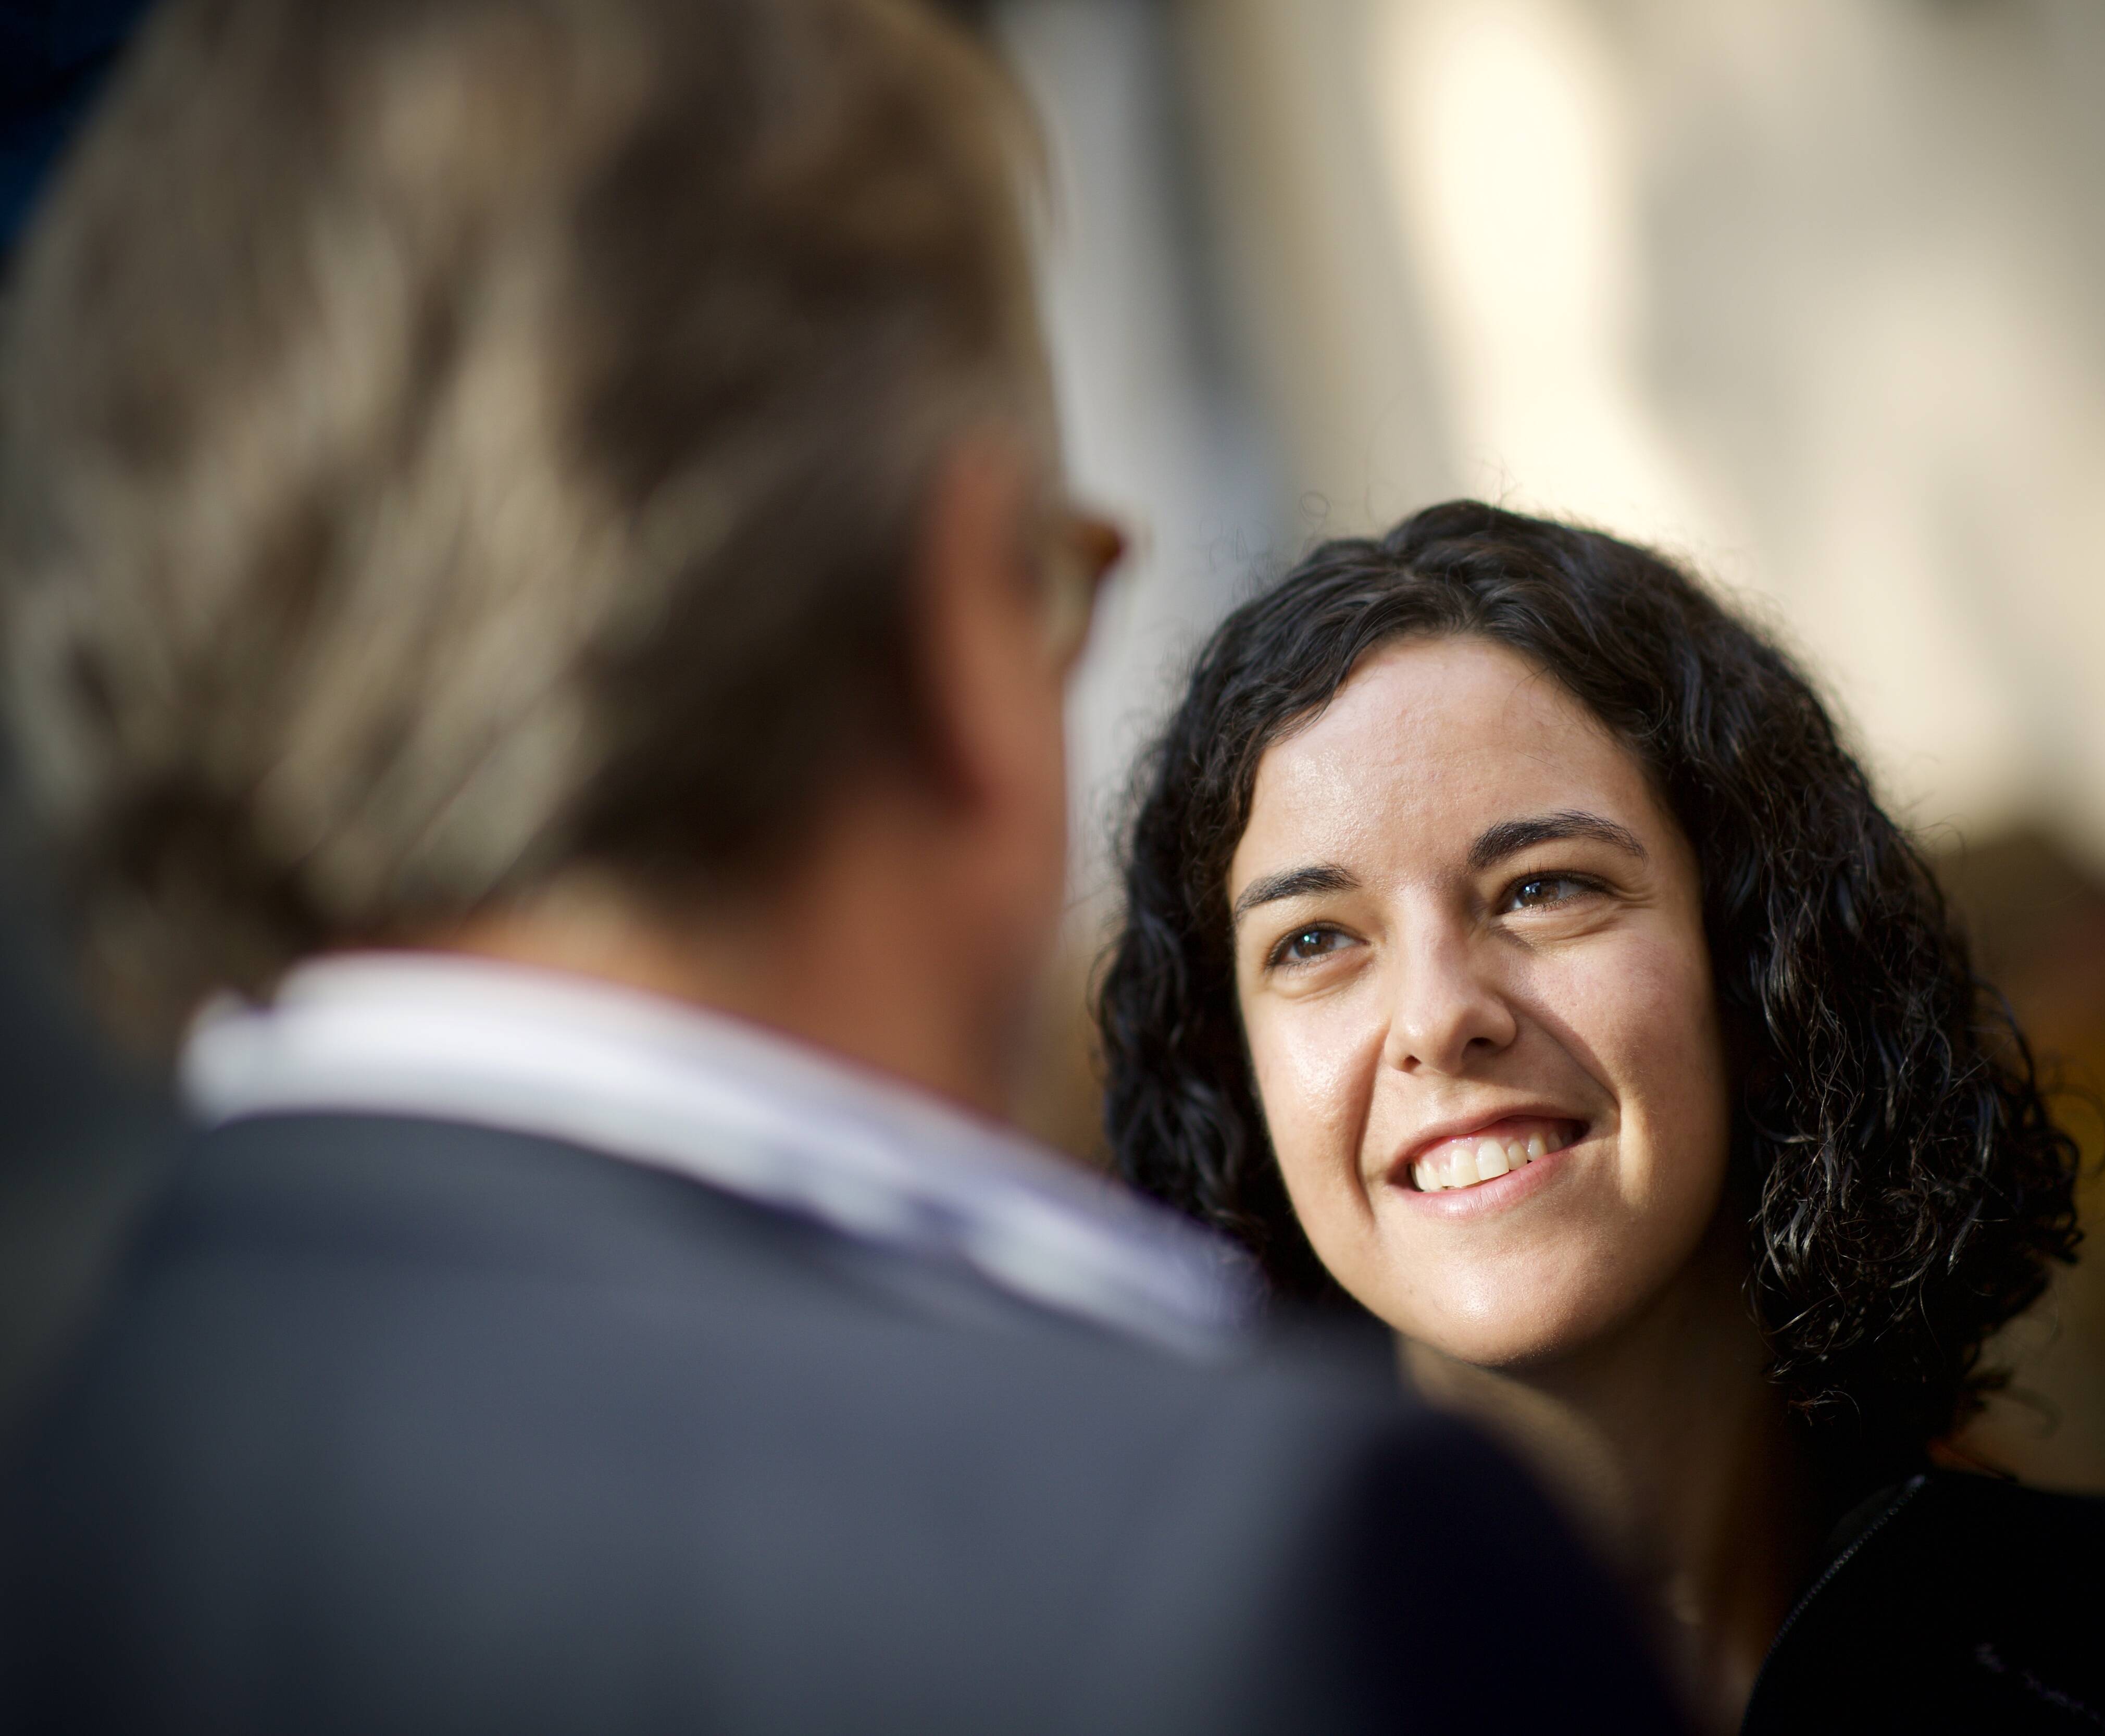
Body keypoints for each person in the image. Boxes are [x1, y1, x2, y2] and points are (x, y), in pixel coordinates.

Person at [0, 6, 1689, 1732]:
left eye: (1550, 887)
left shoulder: (75, 1493)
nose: (1438, 1016)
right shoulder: (1265, 1567)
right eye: (1055, 571)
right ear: (963, 609)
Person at [1099, 500, 2105, 1734]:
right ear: (1236, 1076)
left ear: (1765, 973)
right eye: (1316, 940)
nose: (1439, 1015)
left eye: (1545, 887)